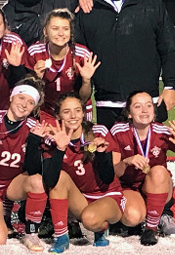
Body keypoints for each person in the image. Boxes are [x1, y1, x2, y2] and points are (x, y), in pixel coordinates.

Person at [76, 0, 175, 130]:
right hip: (108, 105)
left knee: (150, 155)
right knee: (114, 158)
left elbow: (171, 47)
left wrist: (171, 85)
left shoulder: (150, 2)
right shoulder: (89, 12)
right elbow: (79, 58)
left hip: (148, 103)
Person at [112, 91, 175, 245]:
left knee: (158, 171)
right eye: (138, 106)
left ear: (154, 111)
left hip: (158, 186)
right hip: (129, 187)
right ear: (129, 114)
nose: (144, 110)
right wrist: (127, 161)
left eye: (149, 105)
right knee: (132, 217)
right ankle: (151, 214)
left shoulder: (161, 132)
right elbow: (114, 172)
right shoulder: (119, 132)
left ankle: (151, 228)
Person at [0, 76, 48, 250]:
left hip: (13, 184)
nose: (24, 104)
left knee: (37, 181)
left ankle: (31, 232)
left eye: (30, 102)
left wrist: (35, 142)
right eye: (21, 98)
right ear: (11, 97)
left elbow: (32, 169)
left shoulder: (33, 127)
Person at [43, 93, 125, 253]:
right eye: (67, 111)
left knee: (90, 220)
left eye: (77, 110)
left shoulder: (97, 131)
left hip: (107, 195)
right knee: (60, 178)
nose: (73, 116)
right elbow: (50, 180)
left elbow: (108, 178)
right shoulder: (52, 138)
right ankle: (61, 237)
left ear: (83, 113)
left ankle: (101, 229)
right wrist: (60, 148)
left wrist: (102, 154)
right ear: (58, 115)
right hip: (80, 198)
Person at [27, 8, 99, 124]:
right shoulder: (35, 52)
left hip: (76, 110)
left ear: (71, 32)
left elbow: (84, 98)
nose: (60, 33)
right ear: (45, 31)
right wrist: (36, 78)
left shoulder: (82, 54)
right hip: (47, 110)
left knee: (80, 141)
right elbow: (30, 94)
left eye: (65, 29)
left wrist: (86, 80)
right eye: (55, 28)